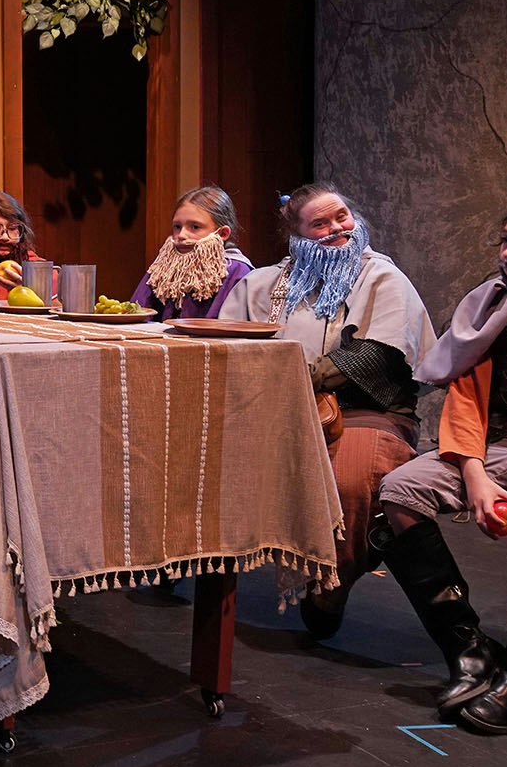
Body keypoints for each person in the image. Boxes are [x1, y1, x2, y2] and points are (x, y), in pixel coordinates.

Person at [373, 194, 507, 735]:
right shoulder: (490, 304)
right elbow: (466, 401)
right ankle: (468, 650)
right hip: (492, 446)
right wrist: (473, 471)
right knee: (400, 492)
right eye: (505, 240)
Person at [219, 182, 435, 638]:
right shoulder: (262, 285)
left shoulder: (380, 277)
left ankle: (330, 586)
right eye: (320, 223)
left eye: (342, 217)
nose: (337, 228)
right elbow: (229, 345)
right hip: (272, 409)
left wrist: (299, 378)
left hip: (363, 410)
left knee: (351, 480)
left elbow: (377, 354)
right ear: (296, 235)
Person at [130, 185, 254, 319]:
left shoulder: (236, 270)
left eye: (195, 227)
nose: (181, 235)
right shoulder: (165, 267)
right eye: (177, 227)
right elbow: (137, 313)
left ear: (222, 233)